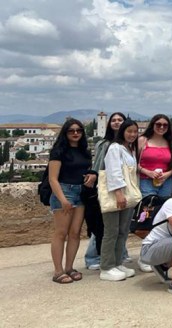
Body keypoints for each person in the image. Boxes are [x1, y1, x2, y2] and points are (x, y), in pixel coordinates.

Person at [48, 118, 95, 284]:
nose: (75, 133)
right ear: (65, 133)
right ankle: (58, 271)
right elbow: (53, 179)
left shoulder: (84, 151)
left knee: (75, 233)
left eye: (79, 130)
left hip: (80, 193)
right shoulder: (59, 151)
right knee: (61, 233)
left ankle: (69, 267)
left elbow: (86, 170)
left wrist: (92, 175)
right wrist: (62, 199)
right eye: (71, 130)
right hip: (64, 191)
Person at [84, 112, 132, 272]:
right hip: (108, 189)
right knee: (104, 227)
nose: (117, 123)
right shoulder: (105, 144)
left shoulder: (127, 145)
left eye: (120, 120)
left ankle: (118, 257)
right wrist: (95, 177)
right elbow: (98, 166)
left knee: (119, 227)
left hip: (121, 189)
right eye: (114, 120)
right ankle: (93, 258)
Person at [99, 119, 139, 281]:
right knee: (111, 232)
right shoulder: (115, 148)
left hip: (125, 196)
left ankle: (117, 262)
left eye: (135, 132)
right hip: (118, 195)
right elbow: (113, 172)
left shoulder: (128, 150)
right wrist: (119, 193)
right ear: (122, 131)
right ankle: (106, 266)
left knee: (122, 231)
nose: (132, 135)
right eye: (129, 131)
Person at [138, 114, 172, 198]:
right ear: (153, 125)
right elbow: (134, 163)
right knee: (148, 208)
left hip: (166, 182)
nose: (162, 127)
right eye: (158, 124)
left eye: (165, 125)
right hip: (146, 181)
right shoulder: (143, 140)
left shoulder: (170, 142)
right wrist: (148, 172)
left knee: (163, 208)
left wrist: (167, 174)